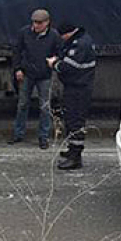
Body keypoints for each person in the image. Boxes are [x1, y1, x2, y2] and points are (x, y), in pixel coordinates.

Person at [9, 9, 62, 149]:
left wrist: (55, 59)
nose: (36, 26)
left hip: (44, 75)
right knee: (22, 104)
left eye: (39, 23)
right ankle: (18, 134)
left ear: (47, 23)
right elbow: (17, 51)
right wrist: (18, 68)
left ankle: (43, 137)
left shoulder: (54, 36)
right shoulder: (24, 32)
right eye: (34, 22)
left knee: (45, 107)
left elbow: (60, 52)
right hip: (27, 73)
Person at [48, 22, 96, 170]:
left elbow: (68, 67)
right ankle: (72, 150)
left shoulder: (80, 44)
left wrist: (54, 63)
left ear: (69, 33)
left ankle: (75, 158)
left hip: (79, 89)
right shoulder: (79, 40)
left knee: (76, 121)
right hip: (74, 87)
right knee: (70, 119)